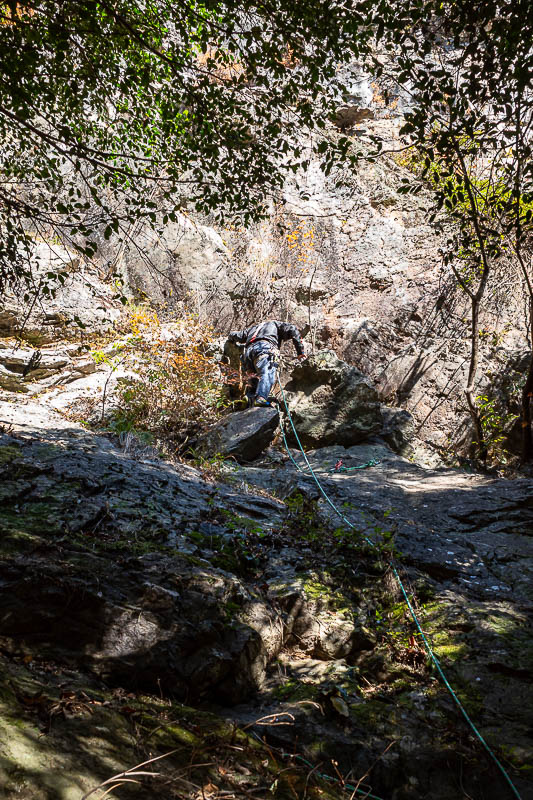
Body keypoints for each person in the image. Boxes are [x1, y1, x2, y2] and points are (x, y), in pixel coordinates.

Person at [227, 320, 306, 407]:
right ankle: (261, 398)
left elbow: (237, 335)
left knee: (254, 378)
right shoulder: (276, 324)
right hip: (264, 348)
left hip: (248, 353)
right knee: (267, 374)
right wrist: (300, 352)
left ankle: (249, 398)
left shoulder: (253, 328)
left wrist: (230, 337)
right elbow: (292, 328)